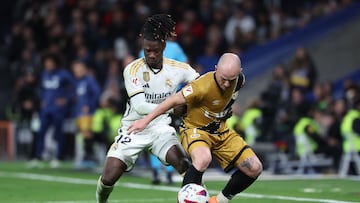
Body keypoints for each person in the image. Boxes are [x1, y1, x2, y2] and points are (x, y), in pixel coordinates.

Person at [128, 53, 263, 203]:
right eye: (223, 79)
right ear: (216, 69)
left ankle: (218, 201)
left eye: (230, 80)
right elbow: (172, 100)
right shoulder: (201, 86)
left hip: (221, 131)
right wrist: (145, 121)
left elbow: (222, 101)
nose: (226, 84)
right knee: (203, 159)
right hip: (195, 130)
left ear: (239, 72)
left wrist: (224, 112)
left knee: (255, 167)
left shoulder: (239, 81)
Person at [96, 14, 199, 203]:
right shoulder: (132, 69)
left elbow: (200, 84)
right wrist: (174, 108)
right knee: (109, 177)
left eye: (156, 51)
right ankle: (100, 201)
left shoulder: (178, 68)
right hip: (134, 127)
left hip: (160, 128)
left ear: (164, 48)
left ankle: (196, 199)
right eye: (147, 50)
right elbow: (141, 106)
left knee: (184, 164)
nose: (151, 55)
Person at [139, 32, 188, 185]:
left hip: (151, 100)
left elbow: (138, 72)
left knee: (154, 134)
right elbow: (185, 68)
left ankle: (155, 171)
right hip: (171, 100)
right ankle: (168, 172)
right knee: (169, 135)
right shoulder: (175, 47)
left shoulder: (146, 49)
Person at [30, 52, 75, 168]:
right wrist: (42, 99)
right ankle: (38, 157)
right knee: (41, 133)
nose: (48, 64)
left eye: (50, 62)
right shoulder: (44, 74)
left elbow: (74, 88)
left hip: (58, 110)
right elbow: (41, 89)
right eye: (46, 62)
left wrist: (65, 99)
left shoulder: (63, 74)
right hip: (45, 109)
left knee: (58, 134)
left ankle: (58, 157)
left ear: (55, 63)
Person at [71, 60, 101, 168]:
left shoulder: (89, 80)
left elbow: (96, 93)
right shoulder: (76, 82)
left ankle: (90, 156)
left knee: (87, 133)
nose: (77, 72)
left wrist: (90, 105)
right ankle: (85, 156)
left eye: (79, 70)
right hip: (78, 113)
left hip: (87, 113)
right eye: (75, 70)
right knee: (82, 135)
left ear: (84, 70)